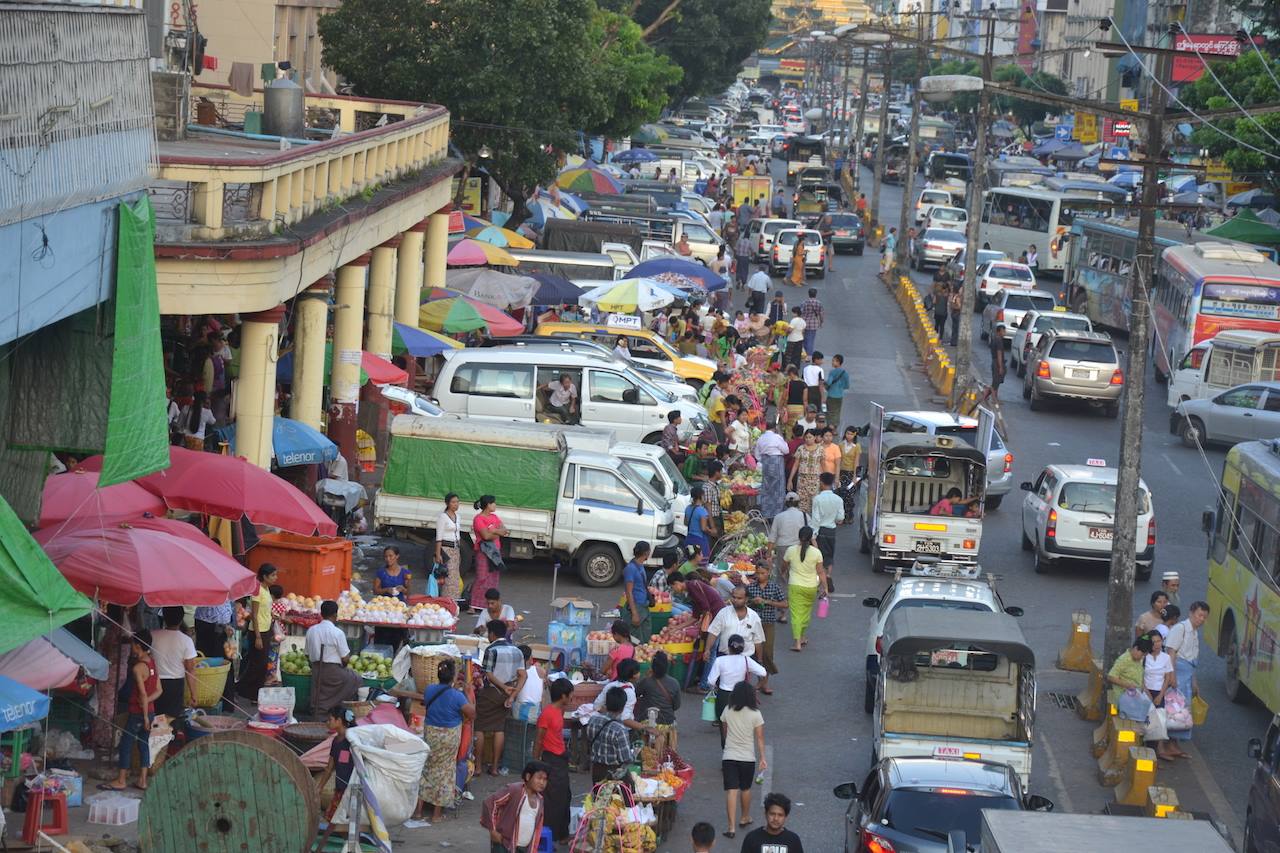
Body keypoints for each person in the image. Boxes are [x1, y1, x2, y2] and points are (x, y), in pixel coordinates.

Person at [414, 659, 475, 825]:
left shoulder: (429, 689)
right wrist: (467, 692)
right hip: (448, 737)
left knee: (427, 769)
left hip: (430, 734)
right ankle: (436, 814)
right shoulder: (457, 696)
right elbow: (472, 713)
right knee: (445, 772)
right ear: (453, 677)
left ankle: (418, 812)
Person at [104, 631, 162, 792]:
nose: (131, 649)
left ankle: (121, 779)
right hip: (150, 711)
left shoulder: (138, 668)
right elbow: (158, 690)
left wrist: (143, 714)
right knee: (143, 745)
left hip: (139, 713)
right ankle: (142, 780)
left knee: (126, 745)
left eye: (133, 646)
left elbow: (143, 694)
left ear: (138, 646)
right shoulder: (152, 663)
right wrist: (147, 705)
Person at [477, 620, 526, 776]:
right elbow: (523, 676)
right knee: (499, 728)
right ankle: (495, 767)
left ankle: (478, 766)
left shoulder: (491, 650)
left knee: (479, 728)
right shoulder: (517, 651)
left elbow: (489, 675)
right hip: (507, 694)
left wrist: (503, 687)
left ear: (492, 633)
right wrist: (512, 694)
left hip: (491, 693)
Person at [720, 681, 766, 839]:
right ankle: (744, 817)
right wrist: (763, 759)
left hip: (729, 756)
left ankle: (731, 827)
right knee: (745, 788)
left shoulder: (728, 710)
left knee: (731, 791)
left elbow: (725, 731)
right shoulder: (756, 714)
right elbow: (760, 739)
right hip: (748, 757)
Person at [1165, 600, 1209, 752]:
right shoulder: (1180, 629)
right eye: (1199, 615)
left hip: (1187, 675)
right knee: (1174, 710)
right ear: (1191, 613)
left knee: (1183, 711)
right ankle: (1169, 743)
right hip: (1178, 673)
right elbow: (1171, 652)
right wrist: (1172, 676)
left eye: (1204, 617)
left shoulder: (1194, 632)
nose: (1201, 619)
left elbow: (1192, 661)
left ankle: (1175, 743)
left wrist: (1194, 682)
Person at [533, 679, 573, 842]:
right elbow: (539, 739)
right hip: (551, 759)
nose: (571, 698)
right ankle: (552, 835)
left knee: (564, 795)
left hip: (560, 758)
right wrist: (535, 762)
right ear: (563, 696)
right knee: (553, 798)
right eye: (570, 695)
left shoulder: (559, 711)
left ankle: (561, 833)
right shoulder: (548, 713)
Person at [306, 600, 362, 715]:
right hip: (333, 671)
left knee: (333, 679)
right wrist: (344, 666)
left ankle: (324, 707)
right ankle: (336, 705)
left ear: (321, 614)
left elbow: (307, 654)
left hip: (316, 670)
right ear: (335, 615)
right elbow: (345, 658)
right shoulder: (337, 633)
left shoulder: (311, 630)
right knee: (356, 678)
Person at [707, 633, 766, 741]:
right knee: (740, 724)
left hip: (723, 696)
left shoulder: (720, 660)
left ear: (729, 647)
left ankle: (726, 749)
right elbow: (763, 672)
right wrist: (755, 686)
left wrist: (714, 687)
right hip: (741, 695)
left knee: (724, 726)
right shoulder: (746, 660)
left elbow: (711, 681)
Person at [481, 760, 548, 853]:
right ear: (528, 777)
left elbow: (538, 827)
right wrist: (493, 830)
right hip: (503, 844)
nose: (542, 782)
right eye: (539, 778)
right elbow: (490, 803)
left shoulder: (540, 800)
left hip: (524, 847)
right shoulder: (515, 790)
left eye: (545, 779)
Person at [237, 564, 278, 701]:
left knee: (261, 664)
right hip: (257, 631)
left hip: (266, 629)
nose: (275, 578)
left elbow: (265, 608)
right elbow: (254, 614)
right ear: (265, 576)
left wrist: (273, 614)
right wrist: (258, 637)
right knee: (258, 664)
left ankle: (254, 692)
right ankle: (246, 690)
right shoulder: (257, 590)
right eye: (272, 575)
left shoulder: (266, 589)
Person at [784, 527, 827, 652]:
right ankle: (802, 637)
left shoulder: (791, 550)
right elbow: (821, 572)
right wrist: (825, 587)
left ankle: (797, 642)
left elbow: (783, 566)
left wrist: (783, 573)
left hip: (795, 586)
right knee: (805, 614)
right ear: (811, 538)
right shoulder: (816, 553)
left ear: (799, 537)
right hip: (811, 587)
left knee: (796, 614)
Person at [150, 607, 196, 722]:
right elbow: (190, 670)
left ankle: (153, 737)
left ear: (164, 617)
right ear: (181, 620)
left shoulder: (152, 635)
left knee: (155, 715)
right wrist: (193, 694)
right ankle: (164, 738)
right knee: (170, 718)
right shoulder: (186, 640)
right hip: (175, 684)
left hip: (153, 681)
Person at [746, 563, 786, 695]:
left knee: (767, 653)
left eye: (763, 573)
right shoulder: (751, 587)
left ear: (768, 573)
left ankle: (765, 681)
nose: (760, 576)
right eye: (758, 573)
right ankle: (761, 680)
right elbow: (744, 602)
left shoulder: (774, 587)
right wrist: (753, 602)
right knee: (756, 654)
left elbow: (785, 604)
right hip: (752, 625)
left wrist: (767, 601)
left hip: (768, 624)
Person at [585, 687, 637, 784]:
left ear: (606, 703)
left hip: (597, 771)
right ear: (622, 708)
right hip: (615, 774)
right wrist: (634, 754)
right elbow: (625, 758)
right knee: (619, 798)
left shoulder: (593, 720)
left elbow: (590, 739)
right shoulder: (620, 730)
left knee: (599, 796)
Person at [1143, 631, 1179, 760]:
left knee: (1160, 720)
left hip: (1159, 692)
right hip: (1146, 692)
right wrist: (1147, 693)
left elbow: (1168, 677)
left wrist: (1160, 695)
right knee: (1146, 721)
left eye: (1159, 641)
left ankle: (1159, 750)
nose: (1157, 644)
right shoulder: (1144, 657)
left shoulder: (1166, 657)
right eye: (1154, 642)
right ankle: (1145, 750)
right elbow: (1140, 676)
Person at [471, 496, 509, 609]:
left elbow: (505, 531)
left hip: (495, 552)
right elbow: (486, 536)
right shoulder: (478, 519)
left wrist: (494, 531)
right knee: (482, 577)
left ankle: (489, 604)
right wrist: (498, 532)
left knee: (493, 578)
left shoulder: (495, 517)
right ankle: (474, 604)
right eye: (493, 503)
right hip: (483, 552)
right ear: (488, 505)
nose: (495, 505)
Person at [316, 707, 356, 809]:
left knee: (338, 819)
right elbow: (329, 767)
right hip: (340, 788)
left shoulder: (353, 740)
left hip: (353, 788)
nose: (327, 722)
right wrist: (320, 786)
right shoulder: (336, 741)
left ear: (339, 721)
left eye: (330, 719)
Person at [740, 792, 804, 853]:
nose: (776, 818)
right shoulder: (752, 838)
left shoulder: (793, 840)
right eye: (772, 814)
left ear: (785, 817)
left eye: (780, 815)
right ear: (765, 814)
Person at [768, 492, 808, 583]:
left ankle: (783, 594)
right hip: (799, 548)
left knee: (782, 574)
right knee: (797, 573)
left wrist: (768, 554)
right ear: (798, 503)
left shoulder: (778, 517)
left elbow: (772, 538)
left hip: (783, 548)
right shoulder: (805, 516)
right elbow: (811, 535)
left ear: (785, 503)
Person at [635, 650, 683, 726]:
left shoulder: (646, 681)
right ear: (667, 666)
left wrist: (645, 676)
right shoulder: (674, 683)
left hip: (648, 720)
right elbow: (676, 706)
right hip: (668, 721)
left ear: (652, 666)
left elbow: (636, 693)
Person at [811, 472, 844, 580]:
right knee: (829, 556)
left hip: (821, 531)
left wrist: (813, 536)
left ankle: (820, 578)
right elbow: (840, 518)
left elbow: (815, 519)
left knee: (819, 557)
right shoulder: (838, 500)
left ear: (821, 482)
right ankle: (828, 576)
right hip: (831, 531)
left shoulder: (817, 499)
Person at [754, 420, 789, 520]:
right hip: (776, 461)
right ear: (775, 428)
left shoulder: (761, 438)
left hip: (765, 462)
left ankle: (766, 513)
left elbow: (757, 455)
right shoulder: (777, 437)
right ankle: (777, 514)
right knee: (778, 489)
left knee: (767, 488)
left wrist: (765, 459)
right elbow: (786, 450)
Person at [434, 492, 464, 601]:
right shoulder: (443, 517)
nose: (456, 504)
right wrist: (438, 554)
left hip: (456, 549)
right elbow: (439, 537)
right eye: (453, 502)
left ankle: (454, 600)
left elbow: (458, 534)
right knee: (449, 577)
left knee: (455, 576)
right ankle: (446, 600)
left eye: (457, 502)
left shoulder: (458, 517)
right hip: (446, 549)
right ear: (447, 503)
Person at [1107, 635, 1150, 706]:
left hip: (1134, 698)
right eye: (1142, 655)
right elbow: (1111, 677)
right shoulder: (1124, 659)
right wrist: (1128, 685)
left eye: (1144, 656)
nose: (1142, 657)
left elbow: (1140, 678)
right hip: (1120, 698)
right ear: (1136, 648)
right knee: (1116, 714)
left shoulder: (1139, 660)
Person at [787, 430, 823, 513]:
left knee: (815, 501)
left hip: (815, 480)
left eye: (810, 437)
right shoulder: (801, 449)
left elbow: (823, 464)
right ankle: (803, 521)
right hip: (802, 480)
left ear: (814, 437)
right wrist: (790, 480)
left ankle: (813, 522)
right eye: (806, 437)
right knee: (802, 501)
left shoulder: (820, 449)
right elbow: (796, 465)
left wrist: (824, 479)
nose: (808, 439)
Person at [686, 485, 713, 559]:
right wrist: (711, 531)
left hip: (689, 539)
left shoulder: (688, 508)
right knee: (701, 561)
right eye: (704, 496)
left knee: (691, 559)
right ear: (700, 496)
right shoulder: (702, 511)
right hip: (699, 541)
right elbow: (703, 528)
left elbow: (685, 522)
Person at [825, 355, 849, 431]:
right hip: (839, 395)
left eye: (834, 360)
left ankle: (830, 427)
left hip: (831, 395)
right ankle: (835, 428)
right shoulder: (845, 373)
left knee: (830, 411)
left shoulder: (832, 372)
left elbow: (829, 382)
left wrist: (824, 383)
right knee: (837, 412)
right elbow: (847, 385)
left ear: (838, 362)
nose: (832, 362)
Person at [798, 289, 824, 357]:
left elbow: (800, 313)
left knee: (803, 339)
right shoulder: (819, 303)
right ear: (816, 294)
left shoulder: (804, 303)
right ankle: (809, 355)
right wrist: (821, 322)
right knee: (810, 340)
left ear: (808, 294)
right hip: (813, 324)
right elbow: (821, 314)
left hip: (804, 323)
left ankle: (802, 353)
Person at [989, 324, 1006, 398]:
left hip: (995, 362)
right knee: (995, 382)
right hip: (997, 363)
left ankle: (995, 397)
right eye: (1003, 331)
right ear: (998, 332)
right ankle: (992, 398)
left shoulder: (995, 339)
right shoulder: (998, 341)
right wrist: (1000, 367)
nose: (1004, 333)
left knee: (997, 381)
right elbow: (999, 354)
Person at [947, 283, 963, 347]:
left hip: (956, 313)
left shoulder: (957, 297)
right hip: (954, 313)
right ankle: (953, 341)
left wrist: (953, 306)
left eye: (952, 288)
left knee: (955, 328)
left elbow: (959, 306)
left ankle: (954, 342)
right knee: (954, 327)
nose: (951, 289)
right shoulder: (954, 296)